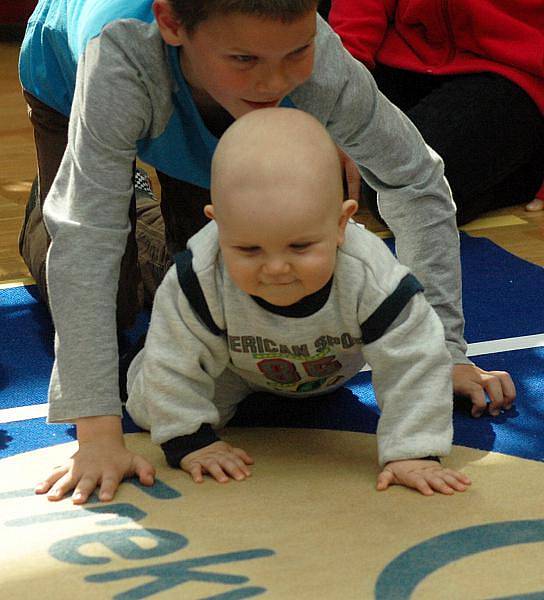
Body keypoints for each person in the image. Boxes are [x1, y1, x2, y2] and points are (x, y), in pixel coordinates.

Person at [18, 0, 509, 505]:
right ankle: (101, 184)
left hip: (219, 112)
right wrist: (97, 434)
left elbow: (415, 180)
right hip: (68, 85)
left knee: (225, 267)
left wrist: (447, 349)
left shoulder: (315, 64)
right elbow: (86, 233)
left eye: (297, 52)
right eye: (245, 60)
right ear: (170, 23)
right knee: (118, 287)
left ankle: (140, 178)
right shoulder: (121, 61)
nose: (275, 83)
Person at [126, 107, 472, 496]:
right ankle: (137, 199)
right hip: (227, 364)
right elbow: (173, 358)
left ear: (342, 225)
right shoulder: (200, 275)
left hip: (319, 372)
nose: (276, 268)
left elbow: (414, 359)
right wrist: (190, 440)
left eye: (300, 246)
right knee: (147, 408)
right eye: (249, 249)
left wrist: (413, 451)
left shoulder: (372, 276)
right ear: (217, 225)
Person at [327, 0, 544, 223]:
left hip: (513, 72)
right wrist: (342, 99)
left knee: (397, 196)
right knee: (313, 164)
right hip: (406, 48)